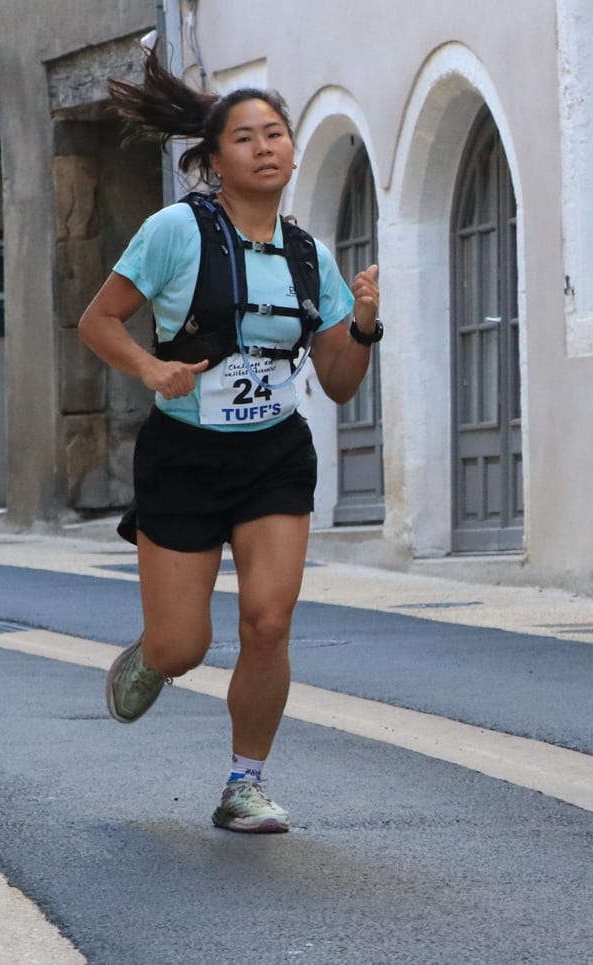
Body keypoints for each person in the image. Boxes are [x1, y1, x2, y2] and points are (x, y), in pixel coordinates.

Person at [78, 56, 382, 834]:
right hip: (184, 455)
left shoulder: (308, 256)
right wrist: (151, 367)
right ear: (214, 159)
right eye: (244, 137)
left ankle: (246, 781)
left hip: (274, 454)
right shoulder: (175, 231)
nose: (264, 147)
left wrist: (364, 325)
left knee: (269, 621)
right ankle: (153, 655)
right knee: (185, 643)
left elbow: (338, 382)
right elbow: (98, 320)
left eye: (274, 133)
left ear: (292, 150)